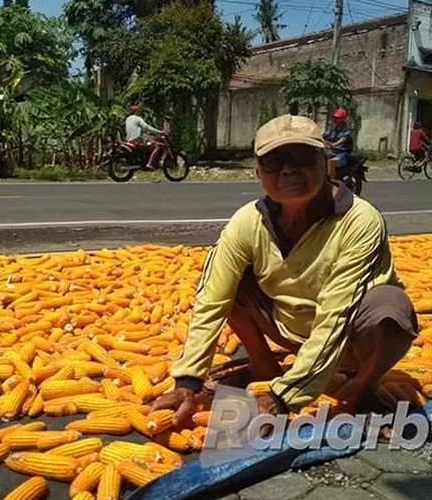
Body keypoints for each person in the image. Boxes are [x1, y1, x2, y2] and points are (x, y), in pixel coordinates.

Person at [152, 113, 418, 433]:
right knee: (220, 277)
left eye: (302, 157)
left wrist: (283, 398)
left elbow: (337, 312)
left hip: (351, 338)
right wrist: (188, 379)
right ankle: (263, 365)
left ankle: (362, 385)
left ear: (326, 163)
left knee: (389, 307)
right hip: (286, 327)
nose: (289, 169)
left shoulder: (359, 220)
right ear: (258, 173)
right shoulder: (247, 222)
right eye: (274, 161)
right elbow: (212, 299)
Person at [125, 104, 165, 170]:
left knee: (149, 142)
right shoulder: (138, 119)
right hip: (137, 140)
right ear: (136, 111)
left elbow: (136, 129)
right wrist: (160, 132)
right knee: (157, 146)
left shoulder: (128, 119)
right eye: (139, 111)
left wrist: (146, 133)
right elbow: (146, 127)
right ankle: (149, 164)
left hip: (129, 140)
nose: (140, 112)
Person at [323, 108, 354, 178]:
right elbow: (324, 136)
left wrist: (333, 144)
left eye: (338, 118)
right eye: (335, 117)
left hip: (342, 154)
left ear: (343, 118)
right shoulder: (332, 128)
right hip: (331, 152)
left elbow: (343, 139)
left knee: (331, 162)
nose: (335, 119)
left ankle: (332, 183)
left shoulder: (347, 129)